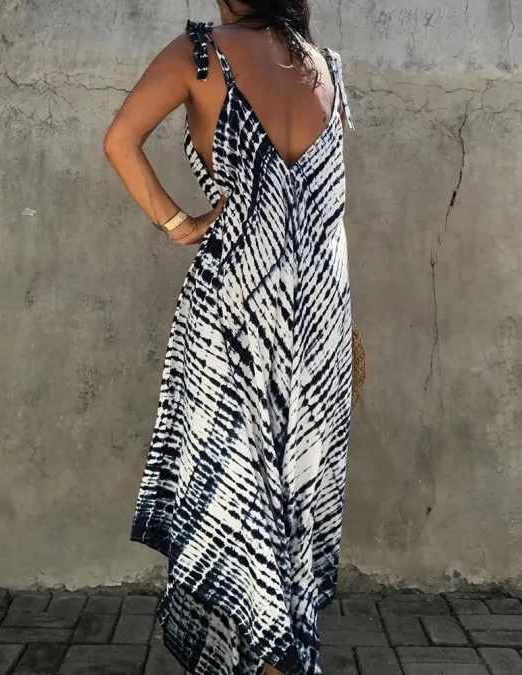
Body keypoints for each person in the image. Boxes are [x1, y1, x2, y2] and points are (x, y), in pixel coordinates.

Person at [103, 1, 354, 673]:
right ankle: (280, 656)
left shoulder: (201, 54)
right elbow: (328, 215)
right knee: (288, 506)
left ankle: (268, 661)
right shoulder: (325, 67)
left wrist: (179, 225)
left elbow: (119, 140)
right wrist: (339, 329)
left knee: (236, 505)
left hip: (233, 320)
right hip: (318, 320)